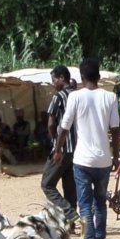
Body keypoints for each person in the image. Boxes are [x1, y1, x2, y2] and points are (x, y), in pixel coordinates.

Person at [57, 57, 120, 239]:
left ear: (82, 77)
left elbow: (64, 127)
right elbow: (116, 130)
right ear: (99, 77)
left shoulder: (75, 97)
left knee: (85, 207)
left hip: (82, 160)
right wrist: (116, 156)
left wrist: (57, 149)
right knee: (100, 204)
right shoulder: (110, 97)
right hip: (103, 160)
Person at [40, 65, 80, 224]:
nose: (53, 83)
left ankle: (70, 214)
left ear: (62, 78)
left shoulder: (59, 97)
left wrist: (54, 141)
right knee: (70, 186)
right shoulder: (78, 95)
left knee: (47, 184)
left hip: (62, 148)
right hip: (77, 149)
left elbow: (51, 123)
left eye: (54, 79)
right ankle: (70, 223)